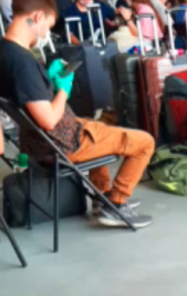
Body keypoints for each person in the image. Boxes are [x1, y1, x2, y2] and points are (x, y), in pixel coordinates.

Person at [0, 0, 154, 227]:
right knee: (145, 142)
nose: (46, 34)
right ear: (39, 17)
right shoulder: (22, 63)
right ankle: (117, 204)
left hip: (36, 143)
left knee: (99, 127)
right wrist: (63, 89)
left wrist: (49, 83)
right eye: (48, 27)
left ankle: (102, 198)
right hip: (60, 142)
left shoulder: (5, 51)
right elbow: (49, 120)